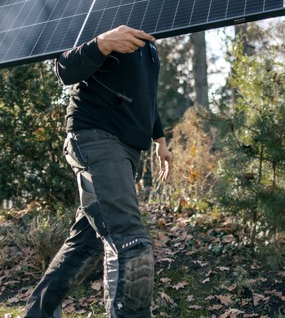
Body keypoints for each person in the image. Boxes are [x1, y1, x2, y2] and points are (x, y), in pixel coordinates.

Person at [24, 25, 173, 318]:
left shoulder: (149, 44)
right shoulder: (97, 14)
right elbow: (64, 68)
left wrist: (160, 141)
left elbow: (147, 97)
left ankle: (38, 314)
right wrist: (102, 43)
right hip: (96, 135)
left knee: (88, 240)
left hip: (128, 147)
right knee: (129, 238)